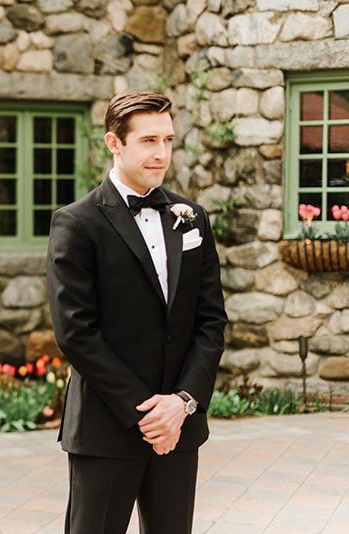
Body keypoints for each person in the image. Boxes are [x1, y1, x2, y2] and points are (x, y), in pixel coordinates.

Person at [46, 90, 227, 534]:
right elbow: (76, 331)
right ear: (114, 143)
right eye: (148, 141)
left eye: (167, 140)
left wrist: (182, 403)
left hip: (179, 427)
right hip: (107, 427)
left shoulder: (191, 218)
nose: (161, 153)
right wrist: (148, 411)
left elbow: (211, 320)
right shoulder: (77, 222)